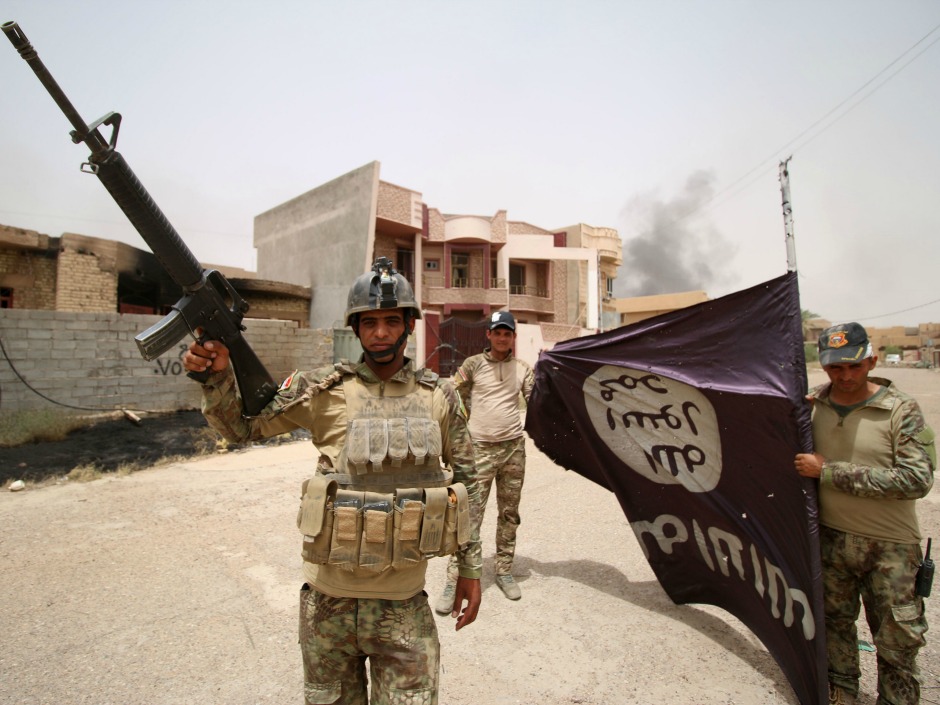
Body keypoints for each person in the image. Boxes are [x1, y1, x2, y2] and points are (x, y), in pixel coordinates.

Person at [183, 257, 483, 705]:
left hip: (403, 604)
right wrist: (216, 377)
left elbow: (468, 482)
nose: (380, 333)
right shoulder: (322, 389)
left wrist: (470, 569)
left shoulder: (439, 397)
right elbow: (242, 427)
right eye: (369, 323)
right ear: (355, 329)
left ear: (408, 326)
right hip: (328, 604)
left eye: (390, 321)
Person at [794, 322, 936, 705]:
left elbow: (916, 479)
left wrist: (829, 471)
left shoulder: (900, 410)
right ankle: (842, 695)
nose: (846, 376)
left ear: (871, 360)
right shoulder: (815, 404)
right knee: (835, 629)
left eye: (854, 366)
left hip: (890, 550)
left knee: (896, 645)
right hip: (831, 540)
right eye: (836, 368)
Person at [435, 310, 534, 613]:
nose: (503, 337)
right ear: (489, 335)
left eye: (508, 333)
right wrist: (456, 435)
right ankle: (456, 576)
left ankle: (503, 570)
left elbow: (538, 400)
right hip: (478, 451)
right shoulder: (473, 365)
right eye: (498, 332)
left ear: (513, 337)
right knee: (468, 517)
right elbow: (452, 394)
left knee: (509, 514)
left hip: (513, 450)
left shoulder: (523, 369)